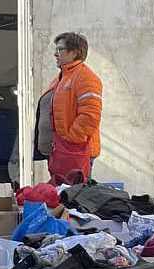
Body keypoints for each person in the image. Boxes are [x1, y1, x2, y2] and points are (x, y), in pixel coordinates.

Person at [35, 32, 102, 185]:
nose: (55, 54)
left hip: (74, 153)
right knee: (62, 200)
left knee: (73, 200)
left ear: (74, 52)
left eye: (60, 50)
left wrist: (70, 142)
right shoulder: (62, 78)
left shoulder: (86, 77)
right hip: (61, 153)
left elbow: (90, 115)